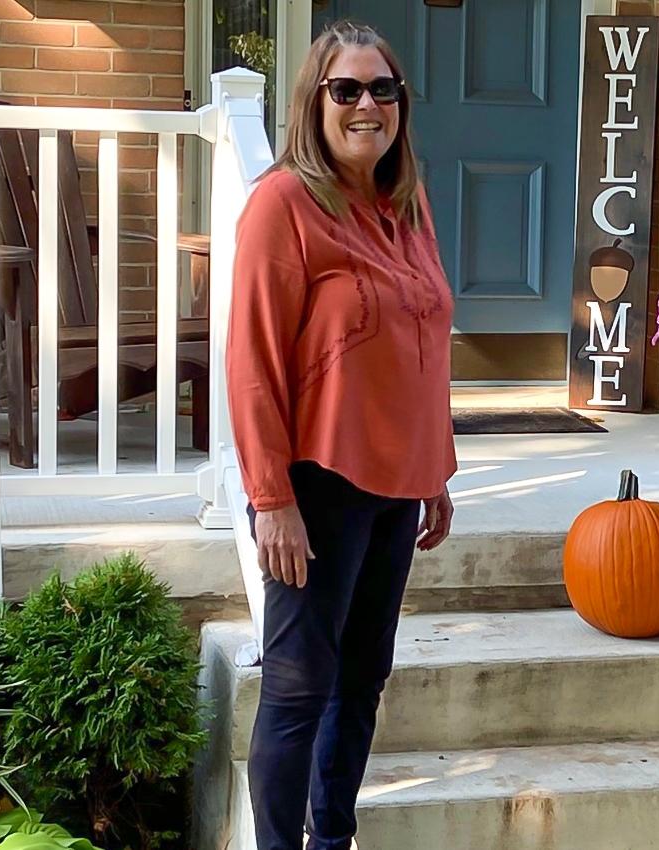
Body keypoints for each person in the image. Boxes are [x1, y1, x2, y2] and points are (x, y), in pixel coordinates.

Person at [225, 20, 456, 850]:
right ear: (314, 101)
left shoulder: (407, 203)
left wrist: (437, 470)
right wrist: (269, 498)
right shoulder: (283, 205)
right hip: (315, 485)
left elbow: (424, 344)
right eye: (346, 89)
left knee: (362, 682)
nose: (367, 105)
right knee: (297, 688)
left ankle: (333, 839)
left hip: (397, 485)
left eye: (383, 89)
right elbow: (251, 362)